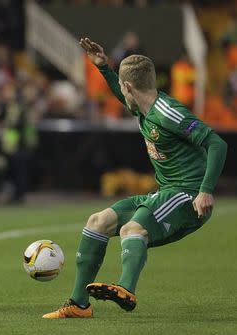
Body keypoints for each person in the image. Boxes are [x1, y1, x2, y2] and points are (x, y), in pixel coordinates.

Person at [43, 37, 227, 319]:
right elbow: (121, 94)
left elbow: (217, 143)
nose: (121, 91)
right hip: (166, 191)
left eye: (122, 85)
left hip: (187, 195)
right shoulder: (142, 105)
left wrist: (205, 190)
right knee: (98, 221)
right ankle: (79, 304)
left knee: (132, 229)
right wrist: (104, 67)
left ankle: (126, 288)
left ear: (129, 86)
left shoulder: (168, 113)